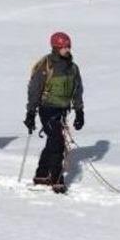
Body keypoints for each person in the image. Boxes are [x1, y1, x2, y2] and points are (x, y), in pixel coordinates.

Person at [23, 32, 84, 193]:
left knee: (53, 141)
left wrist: (79, 111)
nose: (67, 49)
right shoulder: (46, 65)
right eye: (64, 47)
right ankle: (56, 178)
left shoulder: (73, 67)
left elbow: (78, 90)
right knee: (57, 141)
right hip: (47, 108)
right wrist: (30, 113)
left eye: (68, 46)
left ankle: (42, 175)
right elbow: (34, 89)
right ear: (56, 47)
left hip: (63, 110)